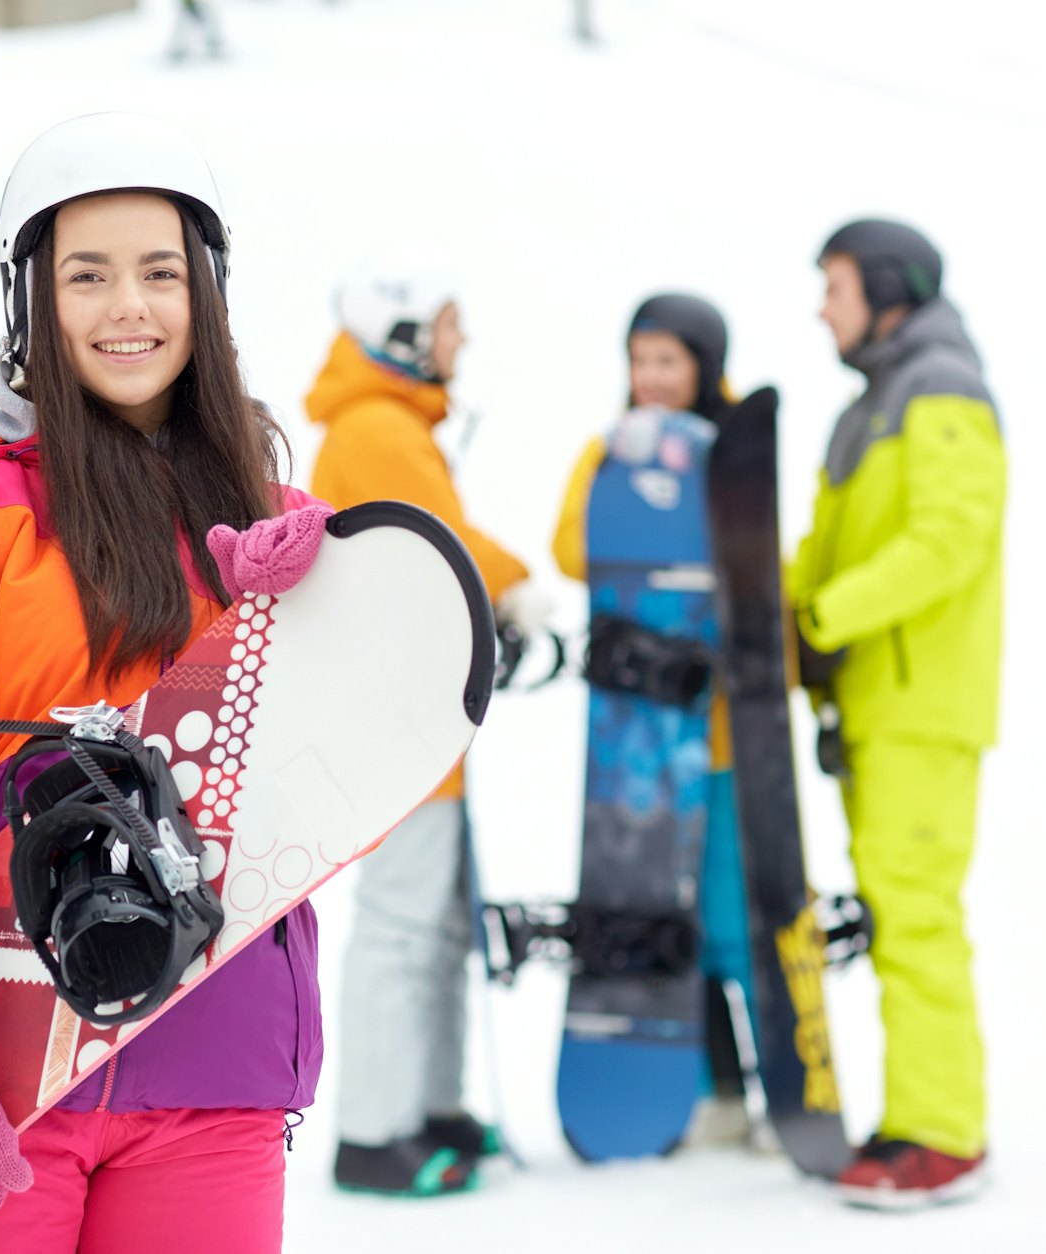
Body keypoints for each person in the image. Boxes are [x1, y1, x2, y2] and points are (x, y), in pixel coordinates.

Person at [0, 112, 332, 1253]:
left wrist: (311, 608)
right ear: (33, 304)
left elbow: (353, 777)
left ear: (206, 293)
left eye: (160, 272)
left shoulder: (274, 530)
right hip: (11, 1071)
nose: (129, 309)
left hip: (217, 1063)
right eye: (87, 276)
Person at [306, 264, 547, 1195]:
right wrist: (522, 583)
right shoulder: (377, 430)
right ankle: (374, 1133)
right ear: (405, 336)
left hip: (419, 714)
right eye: (448, 327)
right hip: (391, 720)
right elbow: (447, 542)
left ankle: (432, 1107)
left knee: (440, 922)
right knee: (405, 923)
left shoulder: (395, 426)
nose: (460, 344)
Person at [792, 219, 1005, 1209]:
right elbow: (830, 551)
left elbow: (949, 540)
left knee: (916, 917)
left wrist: (828, 618)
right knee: (895, 916)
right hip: (877, 708)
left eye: (836, 285)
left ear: (887, 289)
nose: (824, 306)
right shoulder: (871, 406)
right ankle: (920, 1116)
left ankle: (943, 1137)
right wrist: (776, 610)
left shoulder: (941, 389)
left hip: (921, 707)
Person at [550, 294, 767, 1151]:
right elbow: (574, 550)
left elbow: (763, 567)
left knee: (730, 912)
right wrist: (623, 476)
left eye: (668, 362)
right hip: (640, 746)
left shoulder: (741, 457)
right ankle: (714, 1092)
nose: (650, 378)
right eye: (639, 360)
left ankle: (777, 1080)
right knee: (667, 916)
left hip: (717, 742)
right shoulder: (609, 450)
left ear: (704, 368)